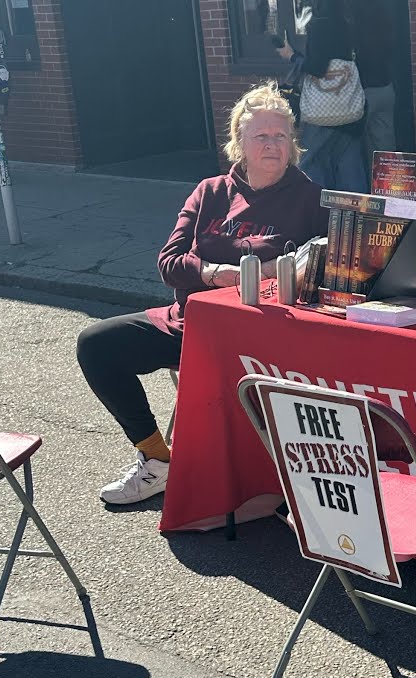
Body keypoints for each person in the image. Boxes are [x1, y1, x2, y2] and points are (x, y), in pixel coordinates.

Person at [77, 83, 330, 505]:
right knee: (96, 345)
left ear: (294, 144)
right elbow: (170, 263)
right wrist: (223, 274)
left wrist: (273, 277)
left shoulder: (313, 200)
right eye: (261, 136)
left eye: (281, 136)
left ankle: (283, 478)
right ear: (240, 144)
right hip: (191, 325)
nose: (272, 145)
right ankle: (158, 459)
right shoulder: (211, 191)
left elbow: (327, 274)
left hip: (266, 338)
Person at [276, 0, 369, 192]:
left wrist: (291, 55)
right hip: (348, 106)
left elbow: (317, 67)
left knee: (311, 162)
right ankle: (356, 215)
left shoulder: (319, 24)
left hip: (322, 112)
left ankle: (316, 213)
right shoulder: (348, 22)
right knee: (349, 165)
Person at [349, 0, 396, 154]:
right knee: (385, 147)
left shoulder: (354, 23)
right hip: (386, 86)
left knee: (353, 148)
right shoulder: (385, 21)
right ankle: (387, 178)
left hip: (364, 90)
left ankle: (361, 179)